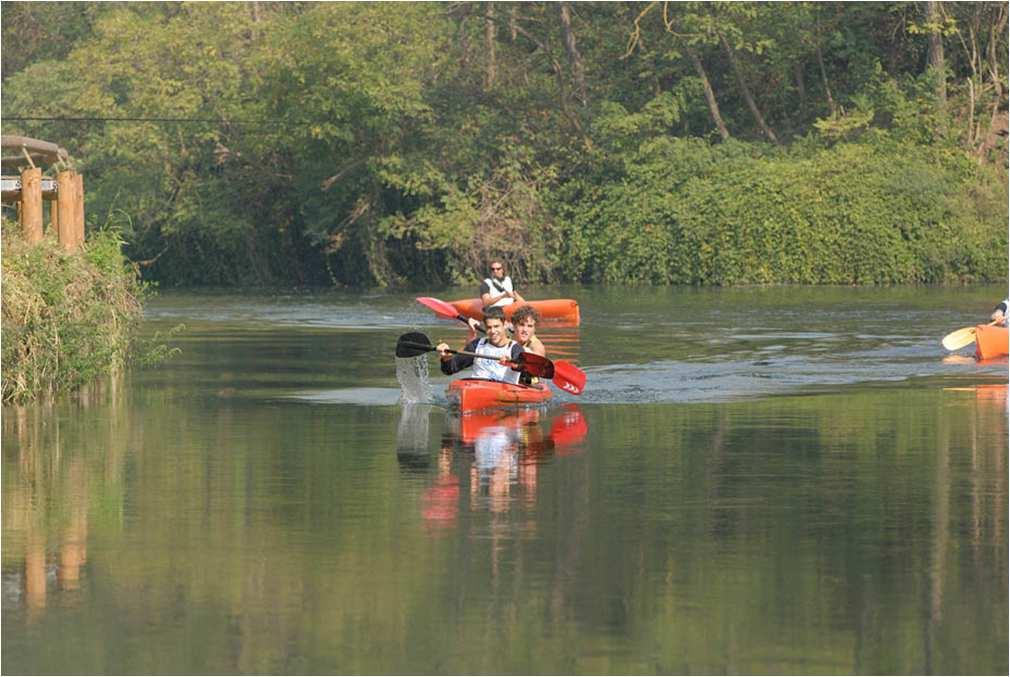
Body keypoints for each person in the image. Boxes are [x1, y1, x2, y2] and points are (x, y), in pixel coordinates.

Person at [437, 306, 524, 384]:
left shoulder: (515, 348)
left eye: (496, 326)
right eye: (489, 327)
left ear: (505, 325)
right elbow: (450, 370)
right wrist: (446, 358)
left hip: (504, 388)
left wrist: (512, 364)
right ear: (485, 327)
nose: (493, 331)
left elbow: (522, 366)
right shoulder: (477, 345)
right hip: (477, 387)